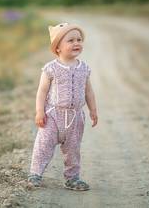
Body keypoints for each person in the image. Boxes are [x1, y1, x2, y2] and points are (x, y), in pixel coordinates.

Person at [27, 22, 98, 191]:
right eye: (70, 40)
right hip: (52, 116)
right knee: (43, 146)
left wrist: (93, 110)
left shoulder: (84, 68)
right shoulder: (50, 69)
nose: (76, 43)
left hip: (75, 117)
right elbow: (42, 92)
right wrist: (39, 112)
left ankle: (72, 178)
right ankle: (35, 174)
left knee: (73, 150)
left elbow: (89, 92)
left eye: (79, 40)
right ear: (57, 47)